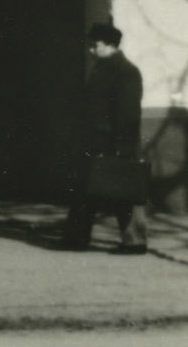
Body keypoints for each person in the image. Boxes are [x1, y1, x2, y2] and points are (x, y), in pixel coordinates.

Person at [63, 20, 150, 254]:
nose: (91, 50)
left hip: (114, 143)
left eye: (95, 45)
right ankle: (76, 238)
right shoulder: (103, 68)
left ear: (111, 45)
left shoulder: (126, 72)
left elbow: (128, 114)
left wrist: (122, 148)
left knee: (125, 193)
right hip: (94, 142)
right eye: (90, 45)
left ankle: (134, 242)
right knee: (85, 190)